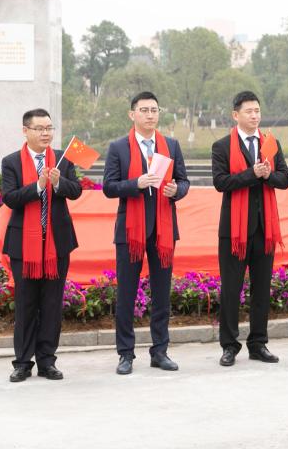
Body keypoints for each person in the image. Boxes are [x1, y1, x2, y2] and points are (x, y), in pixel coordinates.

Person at [102, 91, 190, 375]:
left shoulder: (171, 145)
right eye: (144, 110)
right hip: (130, 231)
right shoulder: (119, 147)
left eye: (154, 110)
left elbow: (184, 181)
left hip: (163, 231)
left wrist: (177, 190)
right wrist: (136, 183)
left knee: (161, 293)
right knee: (126, 294)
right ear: (132, 114)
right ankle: (125, 354)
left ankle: (160, 351)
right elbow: (108, 187)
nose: (150, 115)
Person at [0, 108, 83, 382]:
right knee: (25, 304)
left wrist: (58, 183)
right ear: (26, 131)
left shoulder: (62, 158)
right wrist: (38, 186)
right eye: (39, 128)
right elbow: (10, 198)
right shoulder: (11, 162)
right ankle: (23, 363)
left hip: (57, 243)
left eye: (49, 128)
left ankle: (47, 361)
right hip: (24, 245)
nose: (45, 133)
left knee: (51, 304)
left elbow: (76, 191)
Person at [211, 91, 288, 366]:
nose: (254, 115)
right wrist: (251, 174)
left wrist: (269, 175)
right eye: (249, 111)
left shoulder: (270, 143)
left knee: (261, 290)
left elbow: (285, 179)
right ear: (236, 115)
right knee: (231, 290)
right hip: (234, 232)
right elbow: (221, 182)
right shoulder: (222, 146)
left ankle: (258, 343)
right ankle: (229, 345)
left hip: (264, 229)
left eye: (257, 110)